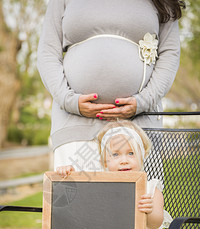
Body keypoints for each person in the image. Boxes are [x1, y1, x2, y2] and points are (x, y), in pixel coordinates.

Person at [7, 121, 192, 229]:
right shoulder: (98, 184)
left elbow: (156, 223)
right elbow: (73, 204)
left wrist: (150, 209)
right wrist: (67, 176)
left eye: (131, 153)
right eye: (116, 154)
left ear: (142, 155)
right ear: (104, 161)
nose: (124, 160)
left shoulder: (151, 188)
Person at [37, 0, 185, 172]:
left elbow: (170, 54)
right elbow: (47, 51)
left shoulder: (164, 2)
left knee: (141, 197)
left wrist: (143, 101)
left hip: (139, 127)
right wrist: (69, 100)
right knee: (79, 198)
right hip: (76, 125)